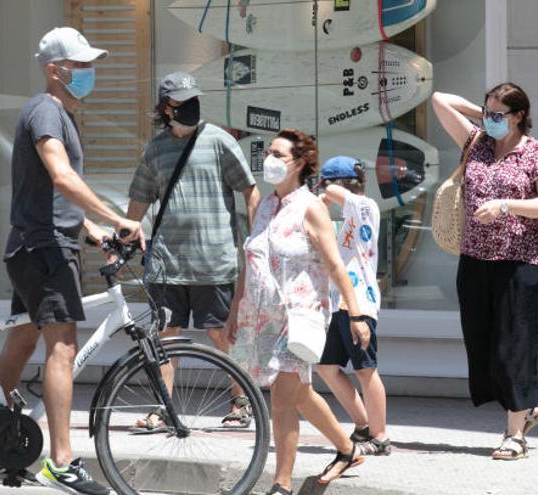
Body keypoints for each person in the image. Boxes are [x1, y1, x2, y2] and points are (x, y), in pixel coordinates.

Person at [0, 26, 142, 495]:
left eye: (88, 65)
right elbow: (59, 177)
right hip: (46, 247)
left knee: (21, 342)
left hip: (42, 241)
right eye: (79, 66)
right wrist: (116, 218)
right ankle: (60, 461)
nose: (88, 73)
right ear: (55, 71)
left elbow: (51, 193)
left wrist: (93, 232)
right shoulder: (46, 113)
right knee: (63, 346)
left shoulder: (61, 115)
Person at [226, 129, 370, 495]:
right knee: (299, 392)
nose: (269, 161)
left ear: (300, 164)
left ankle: (282, 483)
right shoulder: (265, 206)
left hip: (300, 316)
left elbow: (336, 265)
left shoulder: (312, 207)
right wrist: (234, 309)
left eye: (279, 155)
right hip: (263, 315)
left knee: (282, 398)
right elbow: (251, 258)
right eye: (269, 153)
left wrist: (355, 315)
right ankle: (347, 448)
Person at [432, 83, 538, 460]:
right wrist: (485, 115)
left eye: (499, 114)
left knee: (513, 347)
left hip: (520, 260)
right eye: (488, 111)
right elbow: (439, 100)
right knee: (484, 346)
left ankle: (514, 434)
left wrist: (505, 205)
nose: (490, 119)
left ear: (519, 115)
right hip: (474, 259)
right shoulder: (477, 142)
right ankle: (528, 408)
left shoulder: (536, 151)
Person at [126, 72, 260, 429]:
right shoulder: (155, 149)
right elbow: (139, 199)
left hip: (214, 261)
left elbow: (249, 189)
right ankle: (163, 408)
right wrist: (123, 236)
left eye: (193, 99)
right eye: (182, 102)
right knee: (165, 336)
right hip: (168, 263)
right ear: (166, 108)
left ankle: (243, 401)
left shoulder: (218, 141)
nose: (190, 106)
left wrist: (257, 238)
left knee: (222, 333)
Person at [315, 156, 390, 456]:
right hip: (339, 304)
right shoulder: (347, 218)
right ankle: (363, 425)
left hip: (359, 303)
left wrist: (323, 193)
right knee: (327, 367)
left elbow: (340, 195)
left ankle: (380, 436)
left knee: (365, 370)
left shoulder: (365, 206)